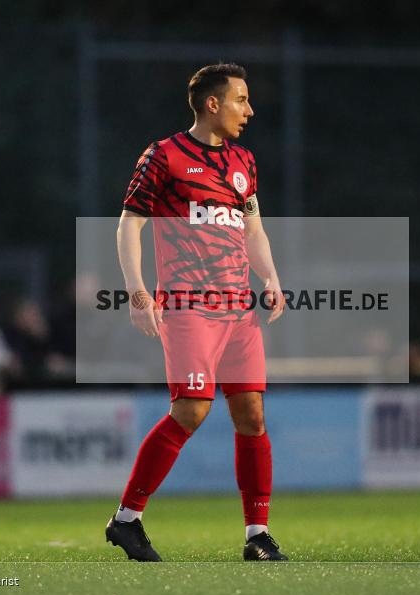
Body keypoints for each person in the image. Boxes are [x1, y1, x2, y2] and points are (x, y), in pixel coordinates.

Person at [104, 63, 288, 561]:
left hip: (238, 310)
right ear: (213, 104)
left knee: (252, 415)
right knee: (192, 409)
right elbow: (129, 224)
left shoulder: (244, 162)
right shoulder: (163, 156)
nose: (248, 110)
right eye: (240, 100)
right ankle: (127, 520)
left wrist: (269, 277)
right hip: (189, 307)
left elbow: (252, 230)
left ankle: (257, 536)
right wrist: (137, 292)